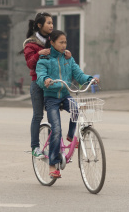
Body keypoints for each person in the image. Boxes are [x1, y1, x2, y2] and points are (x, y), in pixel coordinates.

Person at [36, 30, 99, 178]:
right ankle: (53, 165)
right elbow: (40, 75)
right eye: (61, 42)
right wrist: (45, 80)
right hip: (51, 98)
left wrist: (90, 78)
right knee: (56, 129)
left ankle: (71, 136)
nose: (64, 45)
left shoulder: (68, 59)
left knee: (76, 110)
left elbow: (78, 74)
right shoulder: (44, 59)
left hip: (65, 95)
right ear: (52, 43)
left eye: (65, 42)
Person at [21, 12, 72, 159]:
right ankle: (35, 147)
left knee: (53, 117)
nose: (51, 25)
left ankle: (55, 148)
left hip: (54, 85)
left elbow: (58, 58)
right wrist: (39, 54)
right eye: (48, 23)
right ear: (39, 25)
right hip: (39, 84)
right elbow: (30, 64)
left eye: (52, 23)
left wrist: (66, 53)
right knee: (38, 115)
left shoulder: (54, 40)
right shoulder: (30, 43)